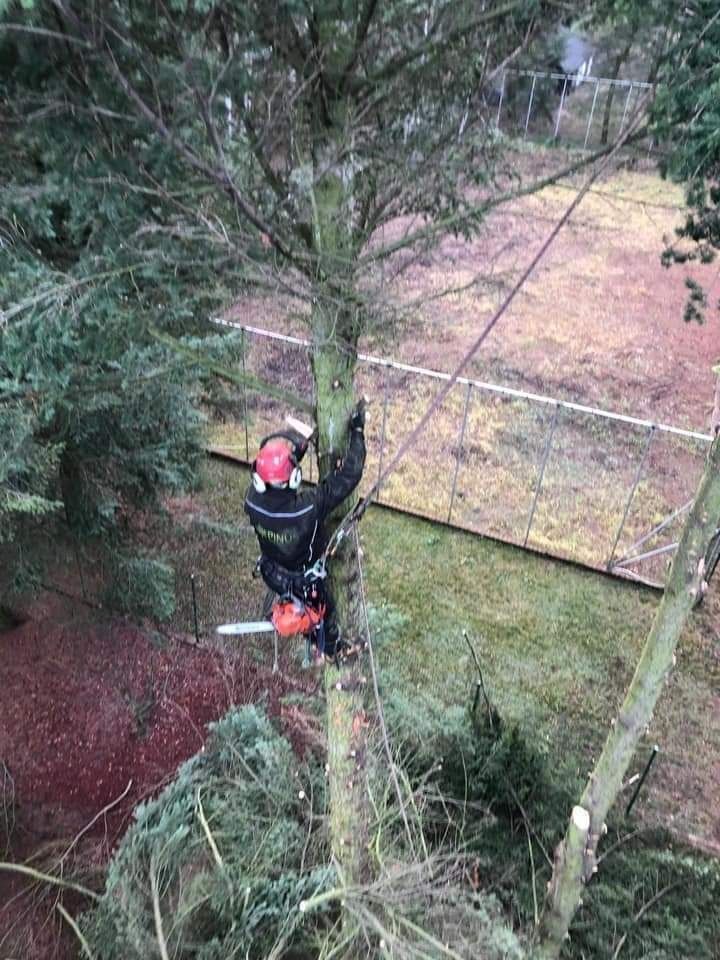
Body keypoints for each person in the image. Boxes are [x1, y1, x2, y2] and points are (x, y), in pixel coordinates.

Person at [244, 400, 366, 661]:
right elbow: (349, 475)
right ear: (295, 479)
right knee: (323, 612)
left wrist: (295, 454)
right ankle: (332, 649)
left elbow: (273, 486)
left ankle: (310, 631)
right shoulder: (307, 508)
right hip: (304, 579)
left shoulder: (252, 500)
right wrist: (357, 431)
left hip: (273, 572)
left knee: (303, 609)